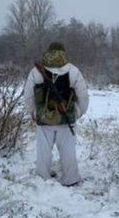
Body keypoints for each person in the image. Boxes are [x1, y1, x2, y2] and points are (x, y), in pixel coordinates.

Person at [24, 42, 89, 187]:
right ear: (63, 52)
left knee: (43, 149)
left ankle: (43, 177)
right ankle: (71, 178)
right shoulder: (73, 70)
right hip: (66, 118)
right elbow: (83, 95)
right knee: (68, 150)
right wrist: (78, 112)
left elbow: (28, 95)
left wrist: (32, 111)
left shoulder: (35, 71)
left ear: (48, 52)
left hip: (43, 117)